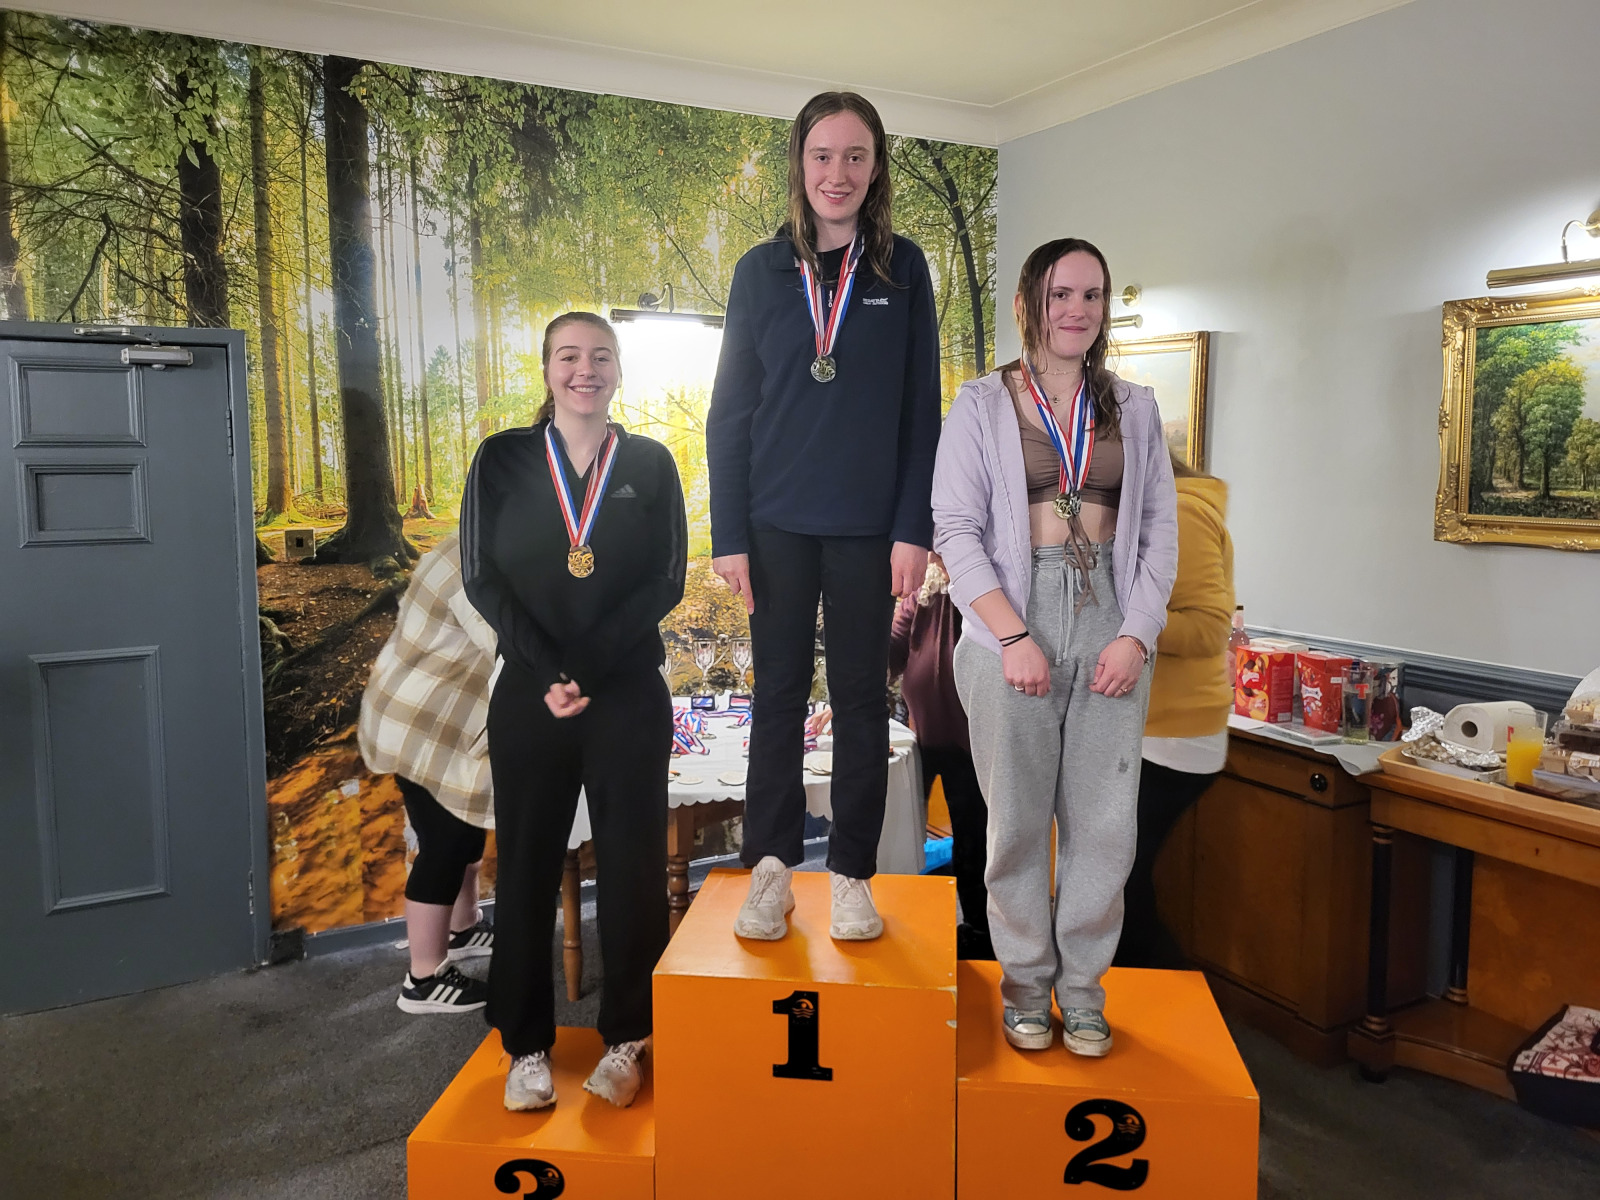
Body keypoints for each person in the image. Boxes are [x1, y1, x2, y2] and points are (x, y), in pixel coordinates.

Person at [932, 238, 1178, 1057]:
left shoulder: (1134, 406)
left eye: (1092, 295)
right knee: (1014, 825)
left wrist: (1137, 634)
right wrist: (1010, 634)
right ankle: (1027, 991)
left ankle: (1083, 993)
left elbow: (1159, 531)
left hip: (1110, 606)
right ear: (1028, 303)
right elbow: (955, 530)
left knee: (1104, 827)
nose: (1077, 310)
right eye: (1060, 293)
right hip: (1013, 613)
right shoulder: (980, 403)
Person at [707, 91, 941, 943]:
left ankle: (850, 874)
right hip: (774, 525)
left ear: (875, 169)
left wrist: (913, 529)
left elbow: (921, 413)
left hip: (868, 531)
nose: (836, 173)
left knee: (860, 700)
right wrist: (728, 533)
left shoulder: (902, 269)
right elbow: (730, 411)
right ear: (799, 165)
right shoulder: (759, 271)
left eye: (854, 156)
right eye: (821, 155)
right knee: (775, 697)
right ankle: (771, 869)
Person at [461, 312, 687, 1111]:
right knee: (525, 868)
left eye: (599, 356)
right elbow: (481, 576)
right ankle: (526, 1046)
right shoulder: (502, 459)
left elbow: (665, 580)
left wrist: (584, 668)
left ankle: (628, 1039)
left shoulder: (651, 464)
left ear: (618, 369)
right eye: (568, 356)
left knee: (632, 871)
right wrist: (550, 669)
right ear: (547, 369)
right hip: (531, 693)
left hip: (625, 694)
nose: (584, 370)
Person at [357, 532, 497, 1015]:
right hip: (421, 726)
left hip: (442, 723)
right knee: (445, 844)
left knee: (465, 830)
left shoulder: (472, 543)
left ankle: (463, 928)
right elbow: (504, 640)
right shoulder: (475, 562)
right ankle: (423, 978)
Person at [1116, 452, 1234, 970]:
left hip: (1172, 735)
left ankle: (1170, 1000)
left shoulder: (1183, 511)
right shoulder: (1148, 512)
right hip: (1143, 728)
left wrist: (1125, 614)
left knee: (1117, 885)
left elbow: (1209, 628)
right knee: (1117, 882)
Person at [889, 555, 992, 960]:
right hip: (917, 739)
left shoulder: (985, 591)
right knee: (899, 830)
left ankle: (979, 931)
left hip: (971, 743)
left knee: (973, 841)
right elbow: (894, 647)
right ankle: (898, 921)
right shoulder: (921, 591)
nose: (935, 556)